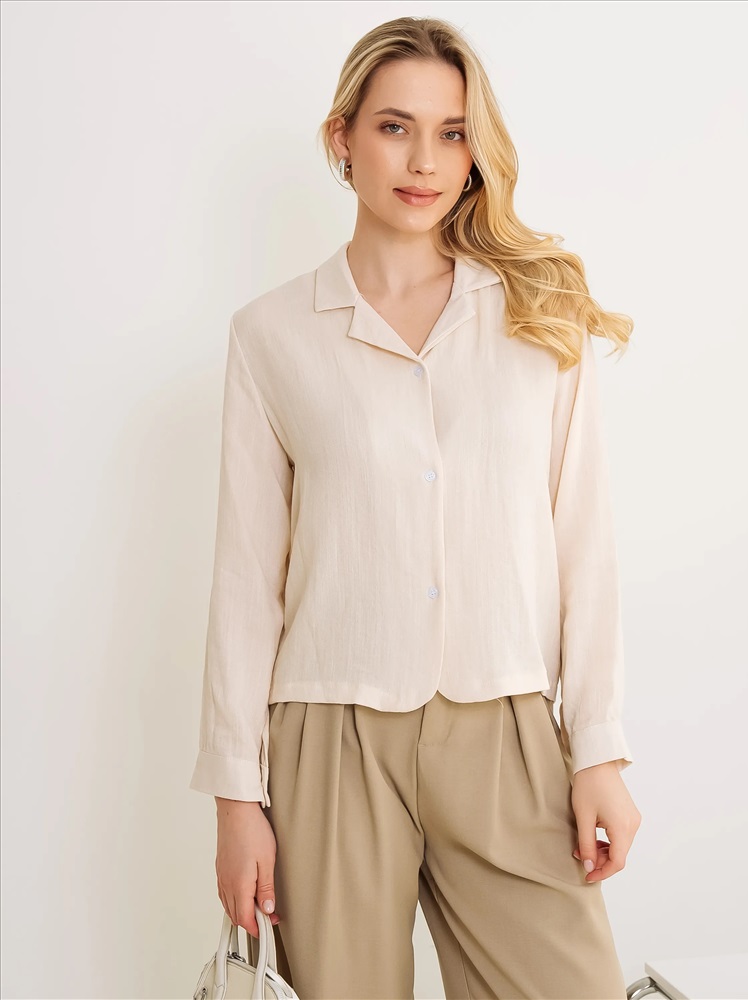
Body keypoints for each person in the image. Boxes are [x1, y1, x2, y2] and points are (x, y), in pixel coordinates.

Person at [189, 14, 641, 1000]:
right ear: (342, 138)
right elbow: (245, 580)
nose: (424, 160)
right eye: (395, 127)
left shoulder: (539, 319)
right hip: (329, 737)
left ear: (477, 152)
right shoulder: (271, 336)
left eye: (452, 132)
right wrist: (236, 799)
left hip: (507, 726)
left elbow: (585, 547)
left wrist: (598, 749)